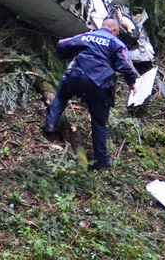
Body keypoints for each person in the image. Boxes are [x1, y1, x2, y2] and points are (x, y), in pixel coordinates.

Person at [42, 15, 140, 171]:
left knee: (61, 96)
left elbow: (62, 44)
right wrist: (132, 82)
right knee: (99, 122)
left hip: (76, 76)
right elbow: (125, 64)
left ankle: (50, 125)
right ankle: (102, 160)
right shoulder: (116, 43)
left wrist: (65, 54)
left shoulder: (88, 35)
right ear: (114, 30)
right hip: (99, 84)